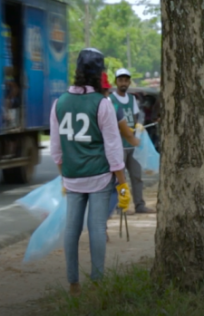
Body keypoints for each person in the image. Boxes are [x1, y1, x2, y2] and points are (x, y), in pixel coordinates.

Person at [49, 48, 131, 297]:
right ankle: (97, 284)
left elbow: (56, 149)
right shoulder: (102, 104)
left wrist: (63, 177)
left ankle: (73, 284)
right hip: (99, 176)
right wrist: (122, 183)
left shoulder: (59, 103)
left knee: (72, 229)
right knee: (96, 228)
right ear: (99, 73)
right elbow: (113, 148)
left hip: (72, 176)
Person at [110, 68, 153, 214]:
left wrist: (138, 127)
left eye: (126, 80)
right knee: (120, 179)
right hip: (118, 146)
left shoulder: (131, 99)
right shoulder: (111, 100)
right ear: (116, 82)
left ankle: (139, 205)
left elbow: (135, 118)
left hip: (132, 145)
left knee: (136, 176)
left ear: (129, 82)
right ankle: (121, 206)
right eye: (121, 80)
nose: (123, 83)